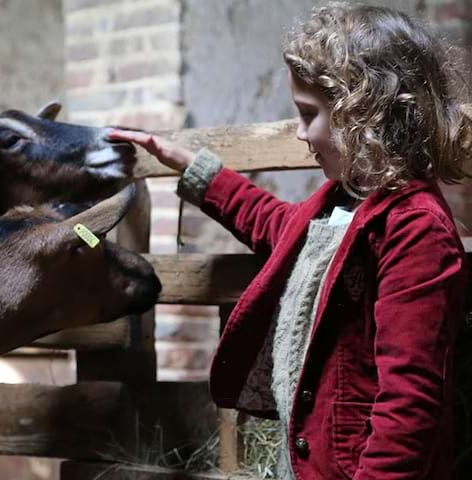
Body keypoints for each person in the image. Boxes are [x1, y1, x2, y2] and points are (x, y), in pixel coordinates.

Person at [109, 3, 472, 479]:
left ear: (361, 112)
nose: (300, 134)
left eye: (308, 114)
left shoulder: (413, 228)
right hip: (309, 458)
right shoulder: (341, 202)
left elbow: (409, 403)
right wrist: (192, 167)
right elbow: (270, 222)